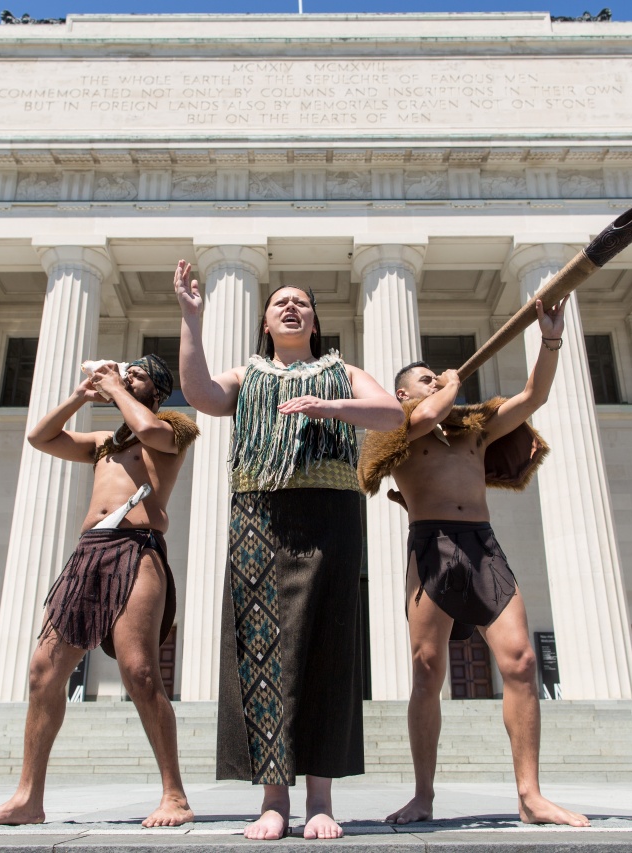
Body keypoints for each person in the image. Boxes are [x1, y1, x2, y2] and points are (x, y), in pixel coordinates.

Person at [174, 259, 403, 840]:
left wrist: (330, 407)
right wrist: (191, 321)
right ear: (267, 322)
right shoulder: (247, 375)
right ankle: (274, 801)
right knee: (260, 650)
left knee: (329, 646)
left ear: (315, 321)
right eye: (281, 303)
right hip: (259, 515)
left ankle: (320, 801)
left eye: (301, 301)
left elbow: (392, 413)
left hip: (330, 516)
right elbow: (200, 395)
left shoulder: (341, 371)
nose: (291, 307)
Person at [357, 297, 589, 828]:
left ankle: (530, 796)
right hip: (431, 545)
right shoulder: (396, 430)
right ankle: (423, 795)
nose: (433, 381)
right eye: (423, 378)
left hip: (481, 544)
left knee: (521, 662)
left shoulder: (474, 430)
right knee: (426, 670)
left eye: (435, 376)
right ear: (402, 394)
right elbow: (427, 417)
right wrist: (448, 387)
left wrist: (549, 339)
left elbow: (535, 395)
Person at [0, 355, 199, 829]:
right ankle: (28, 798)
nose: (125, 375)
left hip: (137, 550)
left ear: (157, 389)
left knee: (140, 672)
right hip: (90, 553)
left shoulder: (173, 430)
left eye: (136, 373)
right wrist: (80, 396)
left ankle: (173, 794)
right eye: (123, 371)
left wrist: (116, 388)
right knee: (42, 672)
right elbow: (39, 438)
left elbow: (150, 433)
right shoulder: (102, 444)